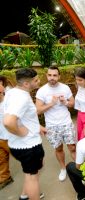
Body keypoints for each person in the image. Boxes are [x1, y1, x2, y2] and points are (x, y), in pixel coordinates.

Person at [3, 68, 46, 200]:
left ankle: (24, 194)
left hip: (17, 145)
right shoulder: (22, 98)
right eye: (36, 80)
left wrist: (37, 126)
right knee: (32, 176)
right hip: (28, 146)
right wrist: (21, 132)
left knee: (30, 172)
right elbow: (9, 122)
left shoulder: (12, 92)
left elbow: (23, 117)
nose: (39, 81)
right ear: (26, 84)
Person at [35, 66, 76, 181]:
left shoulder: (65, 88)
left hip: (66, 122)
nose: (52, 78)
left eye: (54, 75)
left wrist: (66, 102)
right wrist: (51, 104)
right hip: (52, 126)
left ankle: (78, 169)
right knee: (58, 149)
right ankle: (63, 169)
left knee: (72, 147)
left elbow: (73, 103)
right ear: (46, 76)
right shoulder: (41, 91)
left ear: (59, 76)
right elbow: (38, 111)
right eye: (50, 75)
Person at [0, 85, 13, 190]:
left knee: (27, 162)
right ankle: (5, 178)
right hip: (0, 137)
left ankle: (32, 187)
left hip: (11, 138)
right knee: (1, 160)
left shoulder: (9, 103)